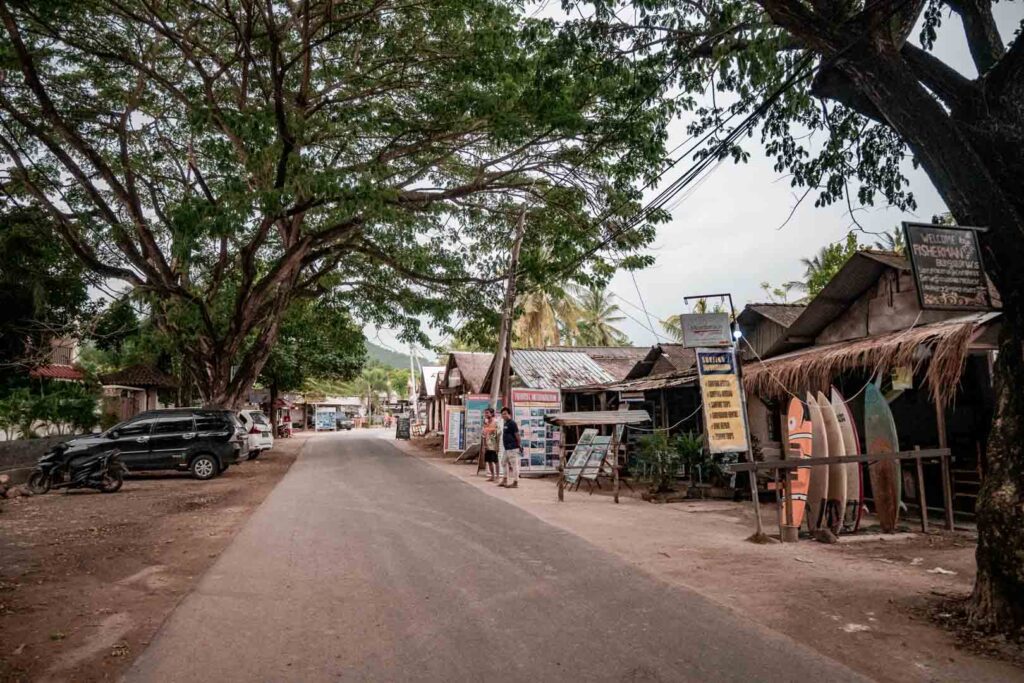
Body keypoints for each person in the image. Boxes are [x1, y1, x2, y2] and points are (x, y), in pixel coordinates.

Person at [498, 406, 521, 488]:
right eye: (502, 414)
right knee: (503, 462)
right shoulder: (506, 423)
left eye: (505, 414)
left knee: (514, 465)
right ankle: (505, 480)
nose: (503, 416)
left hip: (513, 448)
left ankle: (515, 482)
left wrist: (519, 445)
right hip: (507, 448)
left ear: (509, 414)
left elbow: (517, 435)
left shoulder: (512, 423)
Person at [481, 408, 500, 481]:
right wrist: (484, 446)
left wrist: (497, 446)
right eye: (485, 413)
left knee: (495, 461)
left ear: (492, 414)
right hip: (487, 445)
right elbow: (483, 435)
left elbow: (498, 434)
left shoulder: (495, 423)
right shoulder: (486, 423)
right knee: (489, 461)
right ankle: (492, 476)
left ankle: (497, 477)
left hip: (493, 445)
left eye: (487, 413)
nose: (486, 414)